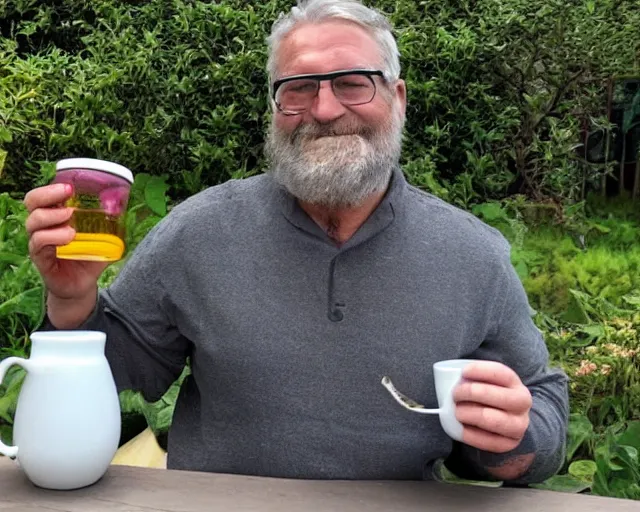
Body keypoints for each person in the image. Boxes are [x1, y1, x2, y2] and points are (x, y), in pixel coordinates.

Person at [23, 0, 568, 484]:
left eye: (354, 82)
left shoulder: (471, 255)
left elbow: (542, 403)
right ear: (274, 106)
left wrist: (508, 443)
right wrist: (72, 303)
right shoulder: (199, 233)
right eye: (299, 88)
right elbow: (121, 371)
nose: (325, 110)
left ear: (398, 97)